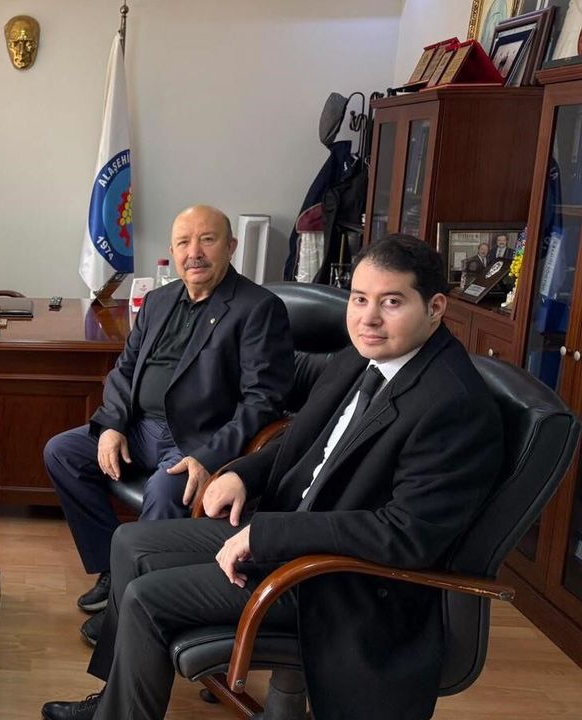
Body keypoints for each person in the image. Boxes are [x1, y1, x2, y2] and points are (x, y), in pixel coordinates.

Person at [41, 234, 503, 720]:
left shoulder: (452, 404)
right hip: (292, 534)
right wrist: (243, 473)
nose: (368, 318)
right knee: (130, 543)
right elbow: (299, 438)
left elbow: (405, 535)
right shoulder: (364, 355)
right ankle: (114, 699)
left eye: (391, 302)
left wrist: (267, 535)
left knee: (145, 596)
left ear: (434, 308)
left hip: (337, 581)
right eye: (359, 299)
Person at [42, 205, 294, 642]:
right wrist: (114, 424)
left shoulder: (258, 308)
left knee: (163, 489)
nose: (194, 252)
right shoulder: (159, 301)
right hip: (140, 428)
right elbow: (124, 370)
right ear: (173, 252)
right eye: (183, 242)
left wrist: (210, 456)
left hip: (198, 438)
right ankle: (112, 567)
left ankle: (128, 605)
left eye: (207, 240)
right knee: (62, 452)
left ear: (231, 246)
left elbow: (263, 402)